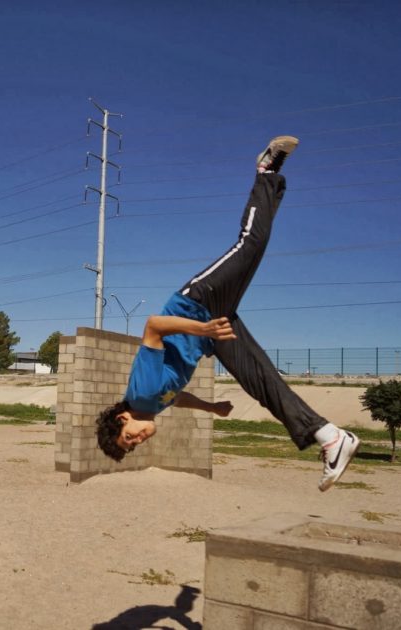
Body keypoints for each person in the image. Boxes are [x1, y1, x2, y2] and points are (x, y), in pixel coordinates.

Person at [95, 136, 360, 492]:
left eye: (130, 438)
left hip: (198, 302)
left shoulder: (140, 393)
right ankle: (330, 437)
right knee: (261, 379)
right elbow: (177, 397)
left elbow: (153, 327)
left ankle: (266, 170)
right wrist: (211, 407)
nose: (140, 440)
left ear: (121, 418)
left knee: (249, 245)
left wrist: (202, 329)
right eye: (136, 445)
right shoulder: (150, 406)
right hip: (212, 331)